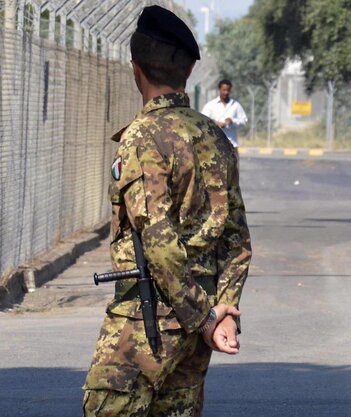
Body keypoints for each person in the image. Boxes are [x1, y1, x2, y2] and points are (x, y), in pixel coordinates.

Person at [82, 6, 252, 416]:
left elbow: (157, 242)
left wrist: (206, 318)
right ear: (189, 72)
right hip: (197, 324)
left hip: (150, 319)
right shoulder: (214, 136)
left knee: (106, 406)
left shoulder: (141, 137)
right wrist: (223, 310)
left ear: (135, 69)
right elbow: (237, 241)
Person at [201, 79, 248, 148]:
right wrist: (215, 123)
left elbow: (244, 121)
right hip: (215, 144)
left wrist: (232, 121)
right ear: (219, 89)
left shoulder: (235, 105)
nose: (226, 92)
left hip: (231, 144)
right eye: (224, 90)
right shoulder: (211, 105)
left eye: (228, 90)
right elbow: (202, 120)